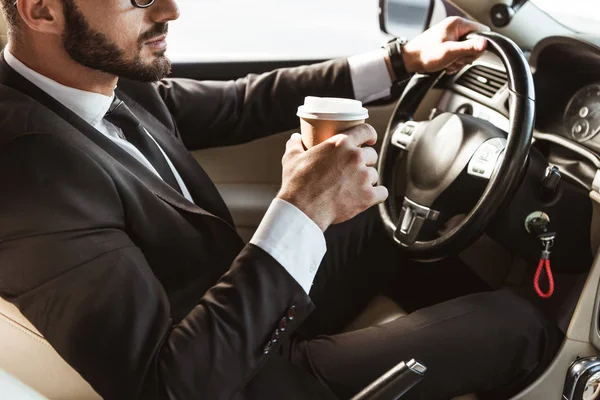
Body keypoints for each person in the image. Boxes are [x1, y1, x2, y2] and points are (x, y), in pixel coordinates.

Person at [0, 0, 561, 399]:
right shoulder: (30, 169)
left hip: (240, 309)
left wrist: (399, 61)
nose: (171, 10)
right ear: (42, 11)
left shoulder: (107, 76)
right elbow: (168, 385)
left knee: (387, 218)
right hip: (238, 375)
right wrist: (302, 209)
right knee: (519, 322)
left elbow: (242, 103)